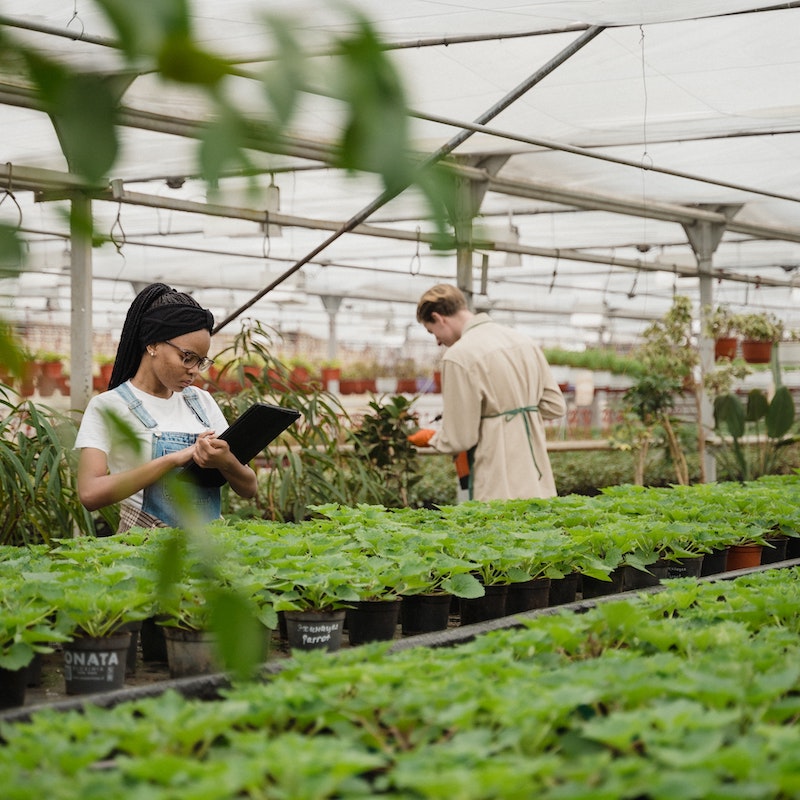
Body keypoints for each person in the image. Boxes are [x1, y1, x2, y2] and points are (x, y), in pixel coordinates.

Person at [76, 283, 258, 532]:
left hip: (206, 548)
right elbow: (90, 493)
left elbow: (249, 488)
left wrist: (226, 461)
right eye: (187, 357)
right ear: (152, 344)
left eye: (200, 361)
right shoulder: (108, 407)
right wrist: (173, 460)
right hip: (142, 548)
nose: (194, 370)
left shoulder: (202, 403)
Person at [409, 283, 566, 501]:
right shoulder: (524, 342)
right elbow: (555, 406)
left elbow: (460, 438)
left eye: (431, 330)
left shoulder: (459, 356)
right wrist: (518, 408)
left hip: (497, 483)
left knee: (498, 531)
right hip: (537, 478)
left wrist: (432, 438)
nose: (436, 341)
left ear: (439, 318)